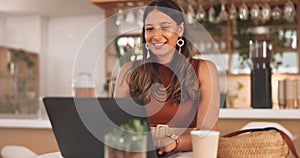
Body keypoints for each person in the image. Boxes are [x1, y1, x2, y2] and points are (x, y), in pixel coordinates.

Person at [114, 0, 220, 155]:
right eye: (150, 29)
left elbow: (207, 134)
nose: (156, 36)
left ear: (180, 29)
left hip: (184, 154)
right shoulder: (128, 71)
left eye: (165, 27)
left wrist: (174, 143)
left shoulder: (204, 70)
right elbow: (115, 126)